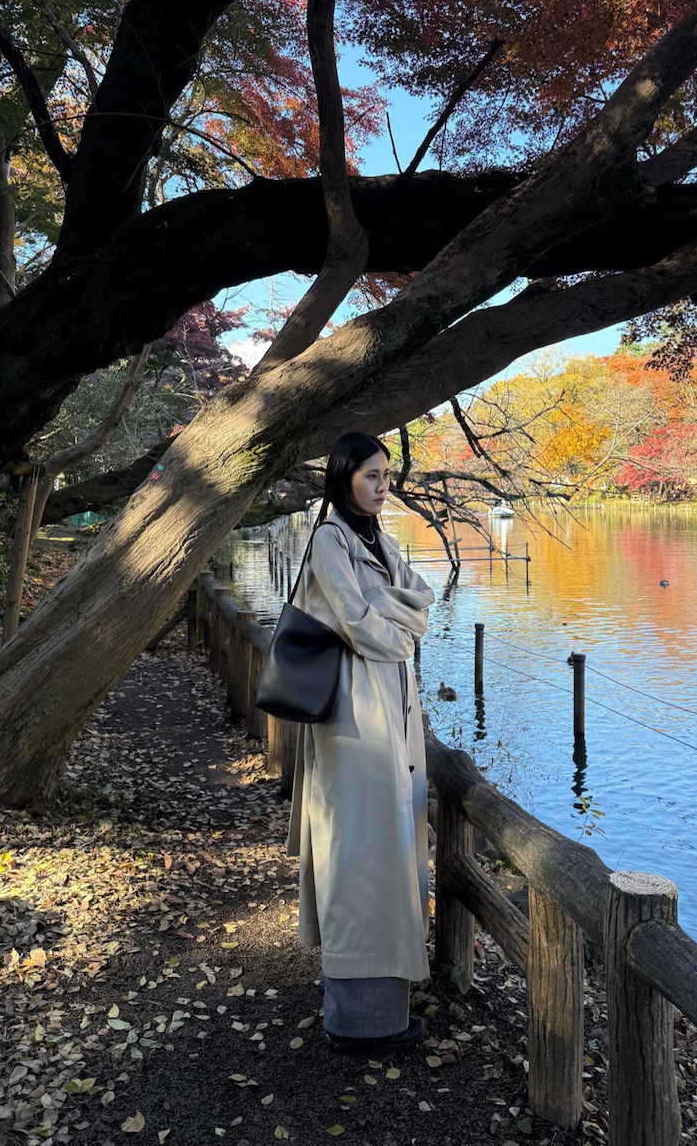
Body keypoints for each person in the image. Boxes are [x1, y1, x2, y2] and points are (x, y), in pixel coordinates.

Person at [286, 432, 435, 1054]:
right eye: (371, 476)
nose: (382, 487)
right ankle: (357, 1020)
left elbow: (421, 598)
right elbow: (354, 619)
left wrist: (391, 619)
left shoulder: (381, 540)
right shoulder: (330, 538)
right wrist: (396, 633)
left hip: (389, 708)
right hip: (351, 713)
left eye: (387, 477)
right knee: (357, 849)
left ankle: (383, 1010)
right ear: (344, 476)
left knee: (392, 843)